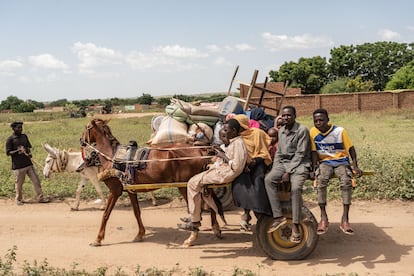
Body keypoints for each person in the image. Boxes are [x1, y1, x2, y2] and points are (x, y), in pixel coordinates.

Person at [177, 119, 247, 231]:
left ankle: (195, 220)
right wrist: (218, 150)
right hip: (224, 170)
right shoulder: (233, 142)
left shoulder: (239, 143)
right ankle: (196, 215)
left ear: (234, 131)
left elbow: (237, 166)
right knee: (196, 179)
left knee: (192, 183)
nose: (224, 132)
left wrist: (223, 156)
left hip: (227, 173)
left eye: (226, 130)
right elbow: (228, 153)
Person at [310, 108, 362, 235]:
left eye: (321, 120)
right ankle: (323, 218)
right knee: (321, 181)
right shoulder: (313, 132)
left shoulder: (340, 131)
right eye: (315, 121)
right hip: (325, 163)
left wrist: (355, 166)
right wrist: (313, 168)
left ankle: (345, 219)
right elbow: (313, 152)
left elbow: (351, 149)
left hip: (341, 161)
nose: (318, 123)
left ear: (328, 120)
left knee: (346, 182)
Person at [264, 106, 311, 243]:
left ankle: (296, 225)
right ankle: (278, 217)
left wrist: (287, 171)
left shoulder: (302, 130)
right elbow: (279, 153)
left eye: (289, 115)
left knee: (295, 189)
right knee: (268, 180)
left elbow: (301, 154)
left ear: (295, 116)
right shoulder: (281, 131)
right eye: (284, 116)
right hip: (283, 163)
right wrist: (275, 169)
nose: (286, 118)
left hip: (300, 164)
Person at [232, 114, 273, 231]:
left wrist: (254, 161)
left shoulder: (257, 133)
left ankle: (263, 211)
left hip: (259, 162)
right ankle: (247, 212)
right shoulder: (236, 137)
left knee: (258, 181)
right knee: (241, 184)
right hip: (244, 166)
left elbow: (264, 152)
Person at [6, 121, 49, 205]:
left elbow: (28, 147)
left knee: (36, 180)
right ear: (13, 128)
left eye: (21, 127)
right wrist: (18, 150)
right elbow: (8, 153)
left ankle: (40, 197)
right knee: (19, 184)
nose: (20, 129)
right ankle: (18, 199)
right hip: (18, 166)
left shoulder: (24, 136)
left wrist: (29, 153)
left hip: (28, 164)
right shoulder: (10, 139)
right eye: (18, 127)